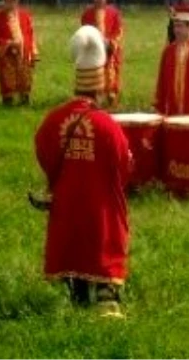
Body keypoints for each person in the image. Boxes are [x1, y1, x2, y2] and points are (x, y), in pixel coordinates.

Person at [32, 25, 130, 317]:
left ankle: (76, 293)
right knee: (103, 235)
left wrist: (57, 179)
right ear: (99, 87)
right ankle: (105, 294)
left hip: (66, 197)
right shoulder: (107, 124)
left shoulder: (54, 118)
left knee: (70, 240)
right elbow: (124, 164)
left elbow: (43, 151)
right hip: (99, 201)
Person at [0, 0, 39, 106]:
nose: (10, 4)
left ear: (17, 2)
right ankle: (8, 99)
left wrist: (33, 51)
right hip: (7, 53)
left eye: (12, 1)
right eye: (7, 1)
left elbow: (30, 33)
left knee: (25, 74)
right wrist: (9, 44)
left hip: (24, 51)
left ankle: (25, 97)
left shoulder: (25, 16)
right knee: (7, 75)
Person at [81, 0, 123, 107]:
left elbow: (119, 30)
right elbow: (84, 30)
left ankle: (111, 94)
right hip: (93, 49)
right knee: (95, 72)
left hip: (110, 48)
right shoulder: (87, 13)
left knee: (110, 71)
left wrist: (110, 42)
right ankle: (95, 96)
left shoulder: (114, 13)